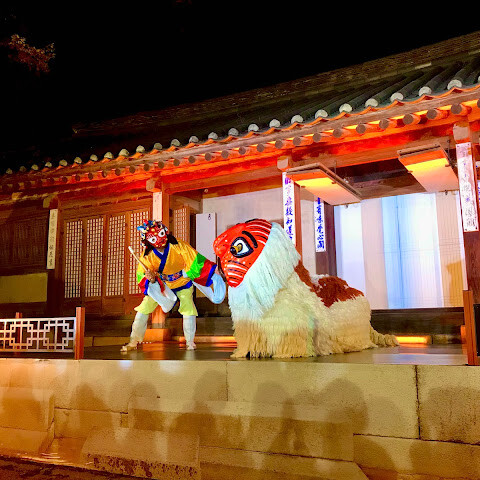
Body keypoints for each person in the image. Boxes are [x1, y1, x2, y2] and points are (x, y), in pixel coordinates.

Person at [121, 219, 225, 352]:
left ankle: (190, 342)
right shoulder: (147, 256)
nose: (159, 240)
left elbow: (194, 260)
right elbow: (142, 275)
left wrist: (212, 269)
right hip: (163, 284)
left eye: (161, 234)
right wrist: (150, 279)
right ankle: (133, 341)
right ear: (148, 241)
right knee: (145, 307)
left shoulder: (178, 246)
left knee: (188, 306)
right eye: (153, 239)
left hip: (182, 281)